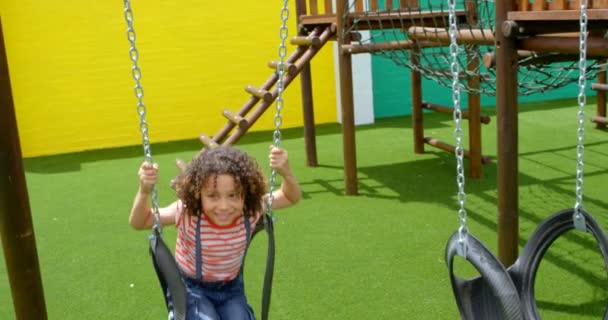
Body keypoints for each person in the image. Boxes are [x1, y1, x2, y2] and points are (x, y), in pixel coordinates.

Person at [129, 145, 302, 320]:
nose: (224, 206)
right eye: (213, 196)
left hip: (231, 288)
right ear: (199, 195)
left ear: (246, 194)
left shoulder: (250, 210)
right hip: (191, 289)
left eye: (233, 195)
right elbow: (140, 222)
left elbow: (290, 197)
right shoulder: (188, 213)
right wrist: (144, 192)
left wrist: (286, 173)